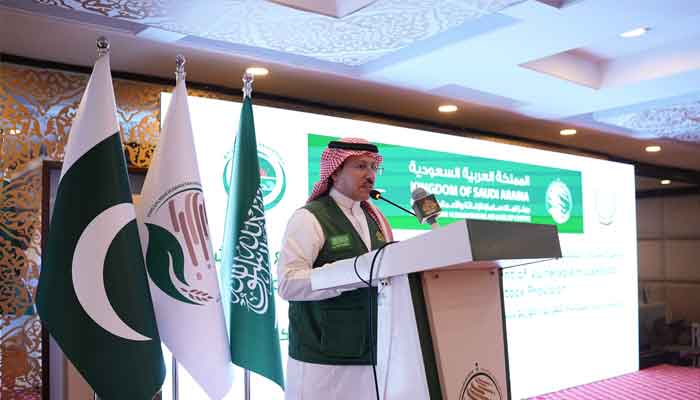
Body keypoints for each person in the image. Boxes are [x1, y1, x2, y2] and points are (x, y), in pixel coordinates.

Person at [277, 137, 394, 400]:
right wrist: (349, 274)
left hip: (373, 355)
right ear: (335, 171)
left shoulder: (376, 218)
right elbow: (287, 283)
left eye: (374, 167)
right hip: (322, 361)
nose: (370, 175)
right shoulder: (309, 217)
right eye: (361, 166)